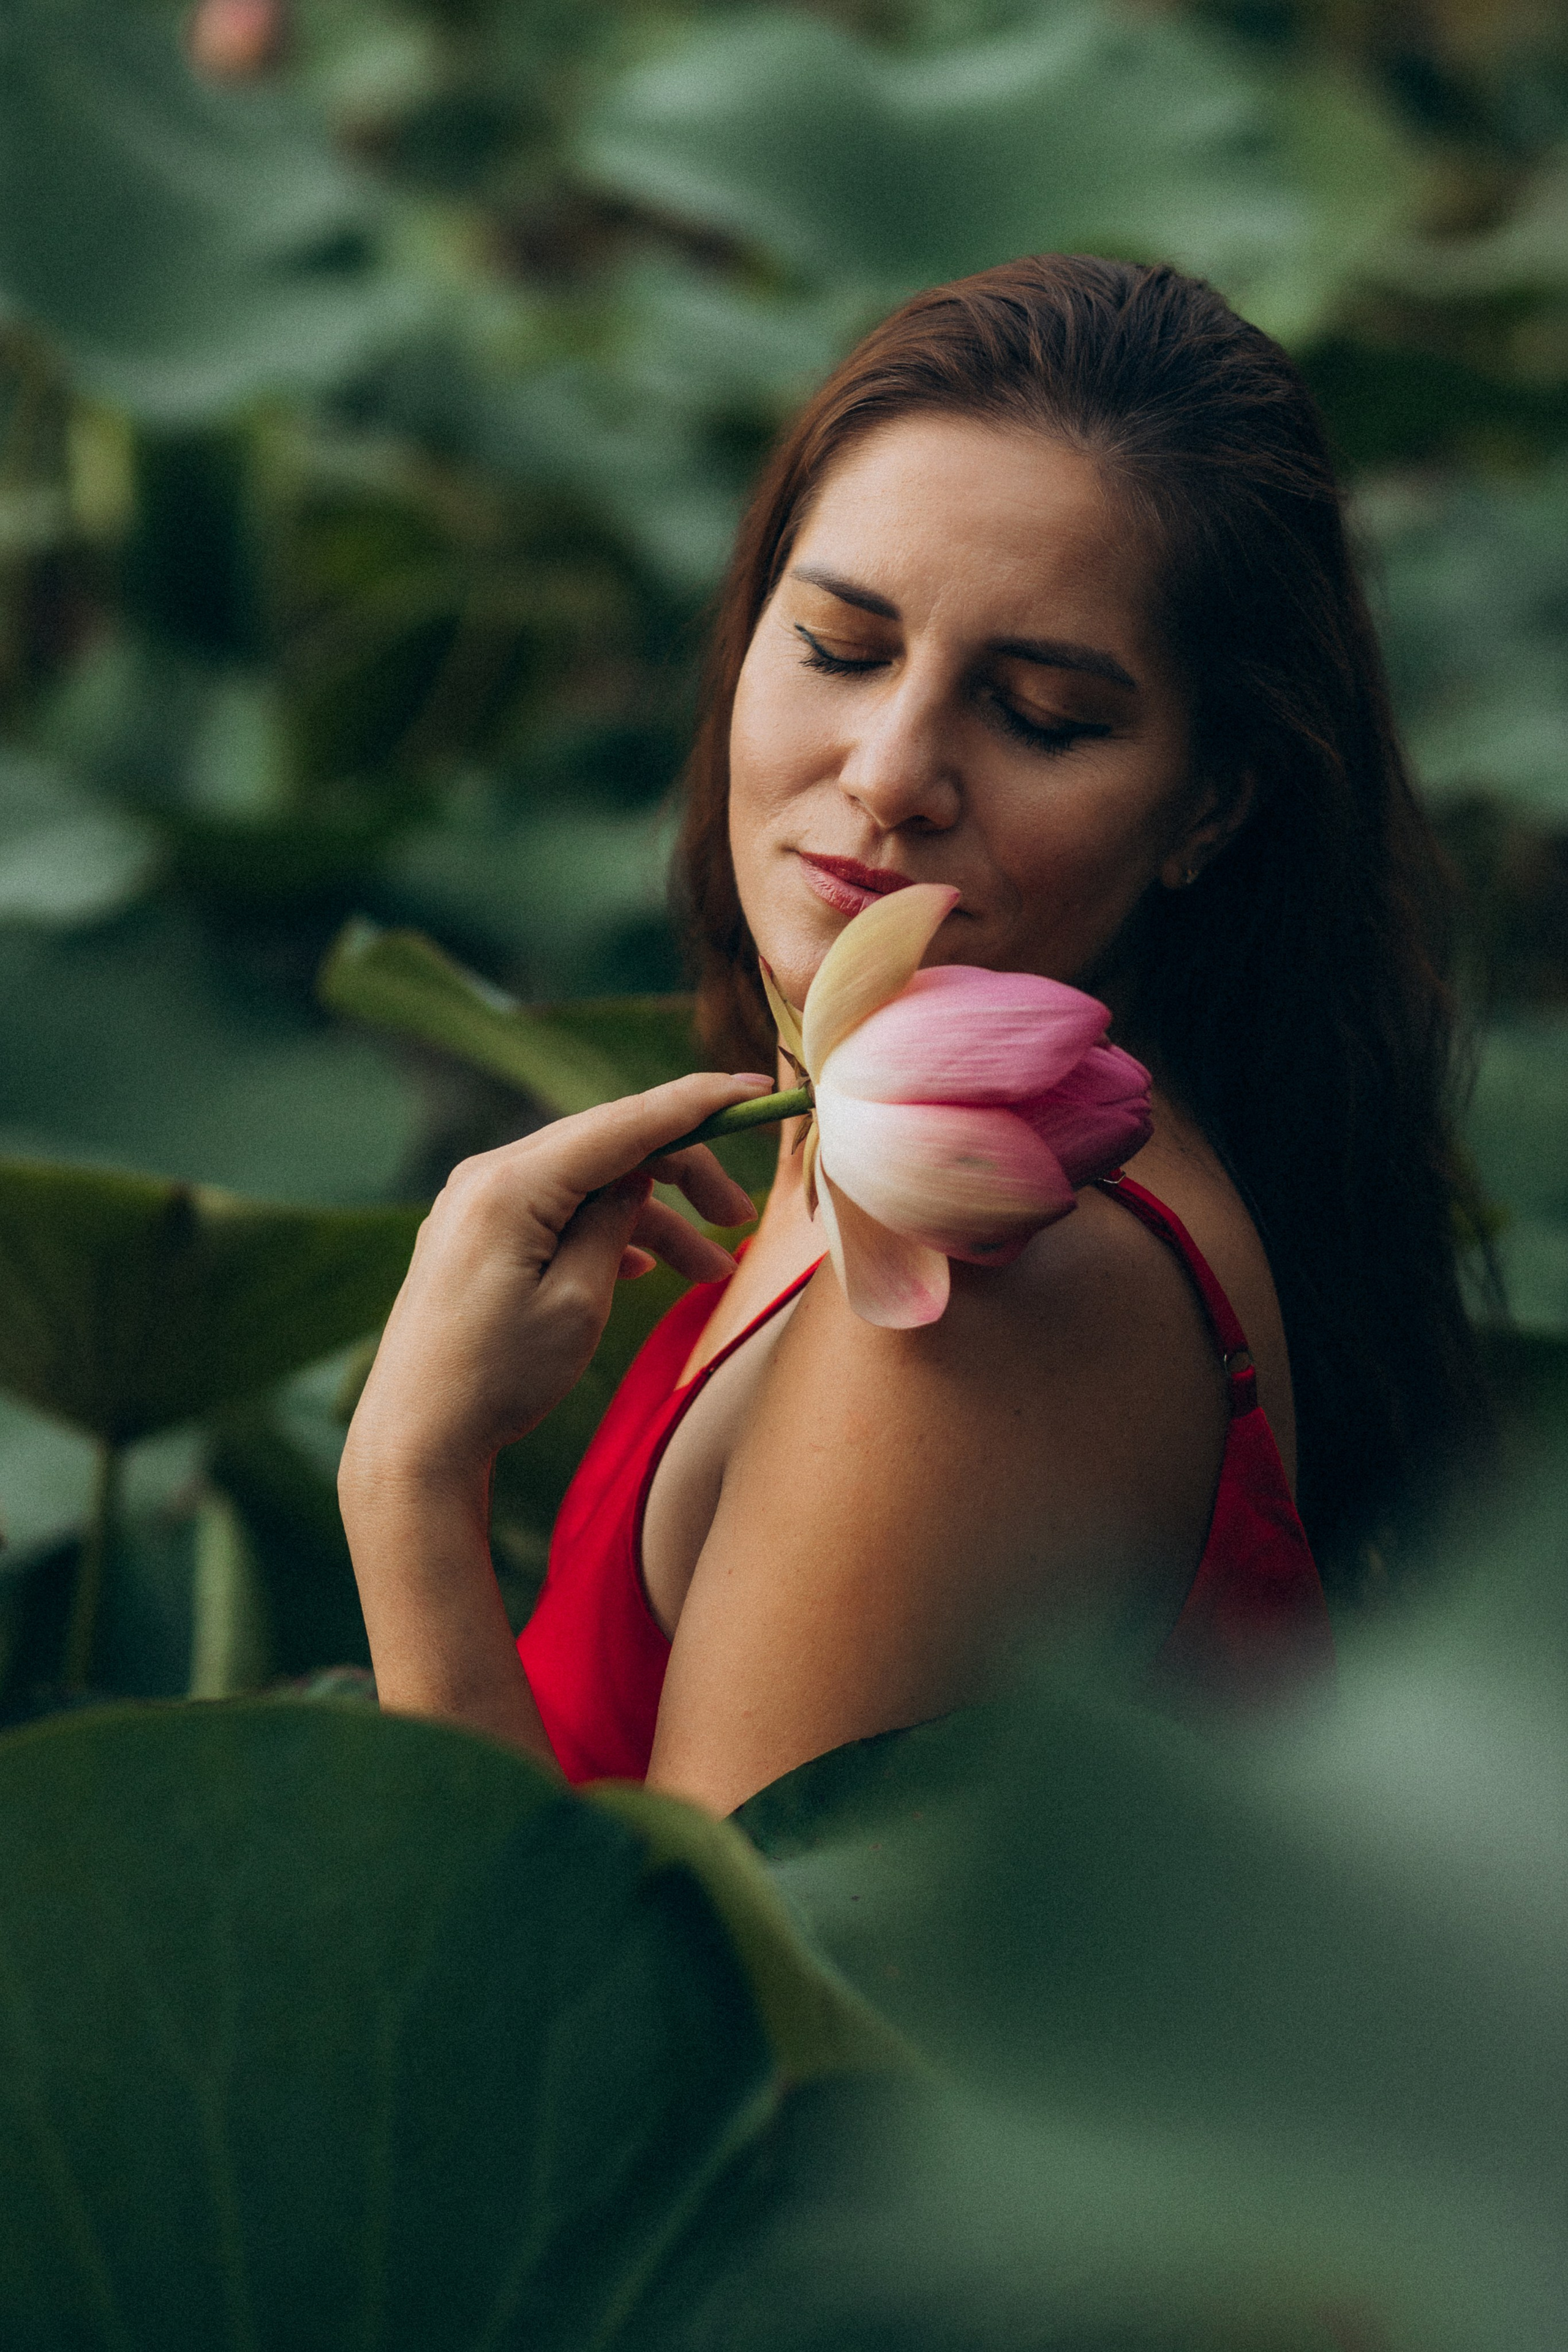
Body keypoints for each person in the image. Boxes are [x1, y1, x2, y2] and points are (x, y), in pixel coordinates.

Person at [340, 257, 1488, 1817]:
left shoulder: (1007, 1281)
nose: (890, 774)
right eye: (839, 646)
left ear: (1207, 809)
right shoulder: (884, 1132)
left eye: (1037, 717)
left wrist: (408, 1485)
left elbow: (676, 2056)